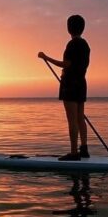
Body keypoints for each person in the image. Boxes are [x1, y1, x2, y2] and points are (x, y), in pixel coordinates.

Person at [38, 14, 91, 161]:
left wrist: (45, 57)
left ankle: (74, 153)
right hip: (81, 83)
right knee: (80, 118)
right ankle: (84, 149)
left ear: (69, 28)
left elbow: (66, 64)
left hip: (70, 84)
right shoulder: (86, 45)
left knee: (72, 120)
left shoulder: (72, 44)